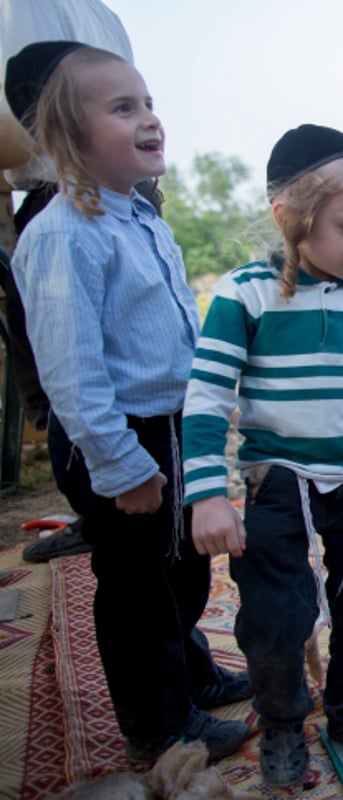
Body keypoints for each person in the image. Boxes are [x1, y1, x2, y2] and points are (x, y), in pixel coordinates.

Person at [5, 41, 249, 763]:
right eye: (122, 108)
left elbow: (173, 326)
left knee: (182, 568)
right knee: (140, 585)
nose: (150, 119)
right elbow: (71, 373)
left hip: (167, 430)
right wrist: (121, 466)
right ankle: (158, 723)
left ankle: (192, 676)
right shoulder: (62, 235)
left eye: (148, 104)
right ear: (66, 134)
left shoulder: (140, 217)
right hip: (120, 437)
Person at [183, 124, 343, 787]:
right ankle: (283, 720)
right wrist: (205, 490)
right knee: (275, 617)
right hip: (279, 479)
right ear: (292, 219)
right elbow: (206, 397)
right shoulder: (244, 294)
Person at [1, 0, 137, 563]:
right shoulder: (102, 16)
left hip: (61, 188)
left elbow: (14, 141)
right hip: (108, 190)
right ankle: (108, 503)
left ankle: (101, 506)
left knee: (65, 368)